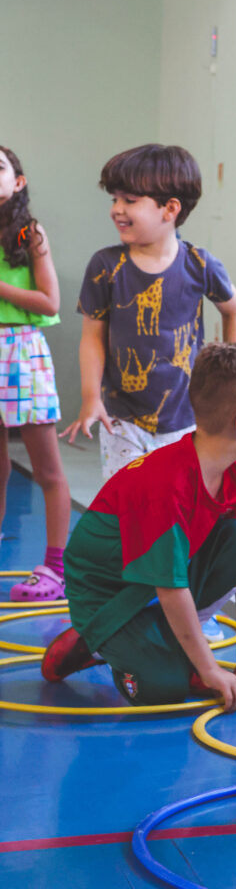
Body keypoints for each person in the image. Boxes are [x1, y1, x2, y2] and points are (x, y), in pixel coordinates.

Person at [61, 143, 236, 640]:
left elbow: (234, 309)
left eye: (129, 200)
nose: (116, 209)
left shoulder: (199, 264)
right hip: (124, 418)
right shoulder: (106, 266)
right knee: (132, 516)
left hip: (187, 422)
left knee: (183, 518)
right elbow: (92, 336)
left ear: (170, 209)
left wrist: (230, 379)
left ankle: (187, 612)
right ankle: (127, 612)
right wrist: (91, 397)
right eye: (114, 198)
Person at [42, 342, 236, 710]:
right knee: (160, 689)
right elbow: (170, 589)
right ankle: (89, 640)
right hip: (106, 593)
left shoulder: (234, 480)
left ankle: (166, 646)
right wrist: (208, 668)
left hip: (155, 582)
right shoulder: (165, 485)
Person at [0, 147, 71, 602]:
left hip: (21, 352)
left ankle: (55, 568)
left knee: (47, 470)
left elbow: (50, 302)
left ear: (18, 182)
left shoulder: (29, 232)